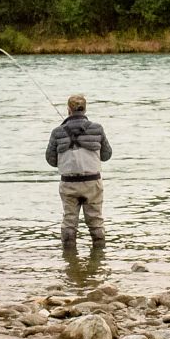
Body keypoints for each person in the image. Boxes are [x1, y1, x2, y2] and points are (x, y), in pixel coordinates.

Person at [44, 94, 111, 248]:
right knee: (96, 221)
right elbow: (107, 155)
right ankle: (98, 256)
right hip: (92, 182)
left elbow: (51, 160)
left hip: (68, 183)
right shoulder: (97, 128)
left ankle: (69, 260)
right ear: (85, 109)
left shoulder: (57, 132)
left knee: (69, 222)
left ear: (68, 110)